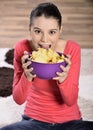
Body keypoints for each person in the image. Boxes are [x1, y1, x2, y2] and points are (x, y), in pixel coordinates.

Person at [0, 2, 93, 130]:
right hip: (33, 122)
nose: (45, 40)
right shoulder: (22, 48)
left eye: (52, 32)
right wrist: (27, 76)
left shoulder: (72, 49)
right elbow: (18, 99)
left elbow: (70, 100)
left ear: (60, 30)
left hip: (70, 123)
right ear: (30, 29)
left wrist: (63, 79)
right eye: (38, 31)